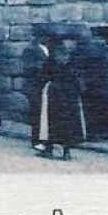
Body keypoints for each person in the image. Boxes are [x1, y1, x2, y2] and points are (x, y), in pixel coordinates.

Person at [38, 30, 89, 160]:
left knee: (50, 121)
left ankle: (49, 149)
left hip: (54, 93)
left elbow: (43, 77)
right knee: (68, 122)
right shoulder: (73, 61)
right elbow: (78, 79)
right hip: (70, 94)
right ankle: (66, 152)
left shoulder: (50, 61)